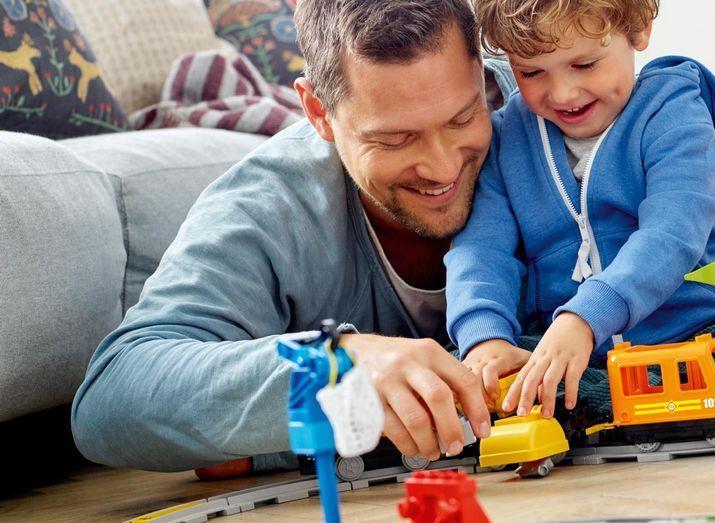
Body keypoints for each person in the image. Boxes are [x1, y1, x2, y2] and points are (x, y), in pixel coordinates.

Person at [70, 0, 516, 472]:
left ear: (483, 77)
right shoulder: (268, 204)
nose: (442, 166)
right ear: (317, 111)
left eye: (462, 118)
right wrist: (332, 371)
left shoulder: (559, 111)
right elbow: (111, 397)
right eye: (394, 140)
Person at [446, 0, 715, 419]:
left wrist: (585, 317)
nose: (563, 93)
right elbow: (480, 251)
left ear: (637, 30)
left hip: (695, 331)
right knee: (463, 368)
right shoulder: (506, 137)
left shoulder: (674, 108)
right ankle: (592, 403)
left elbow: (672, 233)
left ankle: (593, 408)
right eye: (531, 73)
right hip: (563, 347)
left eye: (584, 65)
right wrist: (483, 339)